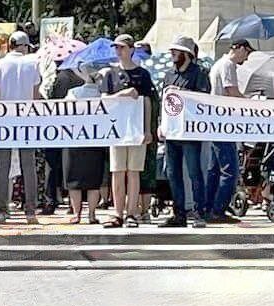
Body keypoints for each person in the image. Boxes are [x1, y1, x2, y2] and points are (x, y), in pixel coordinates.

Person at [102, 34, 155, 228]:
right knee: (117, 171)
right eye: (116, 48)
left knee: (133, 172)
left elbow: (147, 102)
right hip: (116, 129)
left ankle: (132, 212)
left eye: (122, 47)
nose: (119, 51)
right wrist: (123, 94)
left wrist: (148, 129)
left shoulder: (142, 74)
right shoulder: (110, 73)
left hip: (135, 128)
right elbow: (104, 100)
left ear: (131, 49)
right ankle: (118, 212)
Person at [158, 36, 211, 228]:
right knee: (173, 173)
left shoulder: (200, 74)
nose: (172, 53)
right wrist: (160, 124)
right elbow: (163, 102)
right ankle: (178, 213)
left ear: (187, 54)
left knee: (194, 172)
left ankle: (198, 212)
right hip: (172, 131)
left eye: (176, 50)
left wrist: (181, 93)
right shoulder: (168, 75)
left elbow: (203, 101)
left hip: (189, 132)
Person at [0, 30, 41, 224]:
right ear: (25, 46)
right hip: (27, 117)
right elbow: (36, 95)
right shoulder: (33, 63)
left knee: (4, 165)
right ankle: (30, 209)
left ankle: (2, 208)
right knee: (29, 165)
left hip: (5, 117)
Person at [205, 38, 252, 223]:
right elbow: (231, 90)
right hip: (224, 123)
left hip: (216, 122)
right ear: (238, 48)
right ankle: (218, 209)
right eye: (247, 53)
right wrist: (251, 103)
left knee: (214, 169)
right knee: (229, 169)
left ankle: (208, 207)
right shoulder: (228, 65)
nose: (246, 58)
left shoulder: (219, 64)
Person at [62, 63, 106, 224]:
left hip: (74, 139)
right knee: (94, 181)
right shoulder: (103, 95)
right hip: (96, 140)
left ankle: (77, 214)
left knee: (74, 181)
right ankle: (92, 214)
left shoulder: (73, 93)